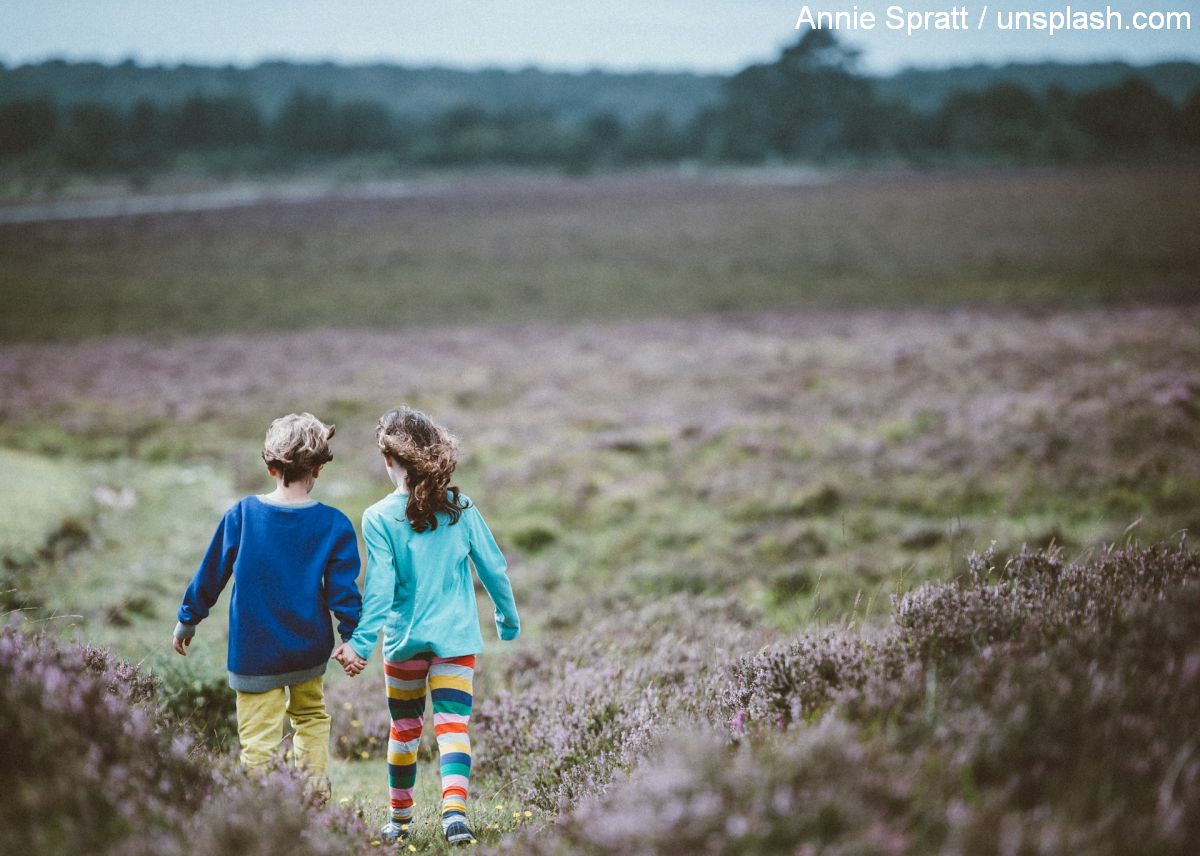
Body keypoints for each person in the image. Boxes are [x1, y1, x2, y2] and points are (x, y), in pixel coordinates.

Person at [336, 406, 520, 846]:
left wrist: (361, 644)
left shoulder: (378, 517)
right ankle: (455, 815)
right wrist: (506, 617)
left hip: (403, 644)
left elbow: (379, 590)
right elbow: (493, 567)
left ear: (389, 460)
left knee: (405, 729)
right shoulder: (461, 507)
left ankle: (398, 823)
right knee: (453, 725)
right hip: (456, 642)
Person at [172, 412, 362, 799]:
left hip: (253, 652)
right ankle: (313, 798)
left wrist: (188, 618)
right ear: (318, 470)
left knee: (258, 740)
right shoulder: (334, 524)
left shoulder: (241, 515)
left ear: (271, 467)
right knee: (310, 717)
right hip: (309, 650)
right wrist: (352, 635)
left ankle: (263, 810)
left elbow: (211, 573)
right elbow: (344, 593)